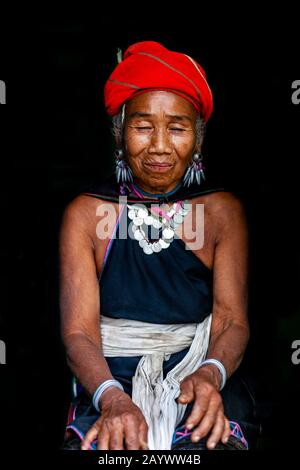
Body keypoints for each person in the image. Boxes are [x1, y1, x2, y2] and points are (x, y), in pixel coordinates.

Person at [59, 41, 259, 451]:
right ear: (120, 133)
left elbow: (230, 322)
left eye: (178, 128)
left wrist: (210, 375)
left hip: (199, 374)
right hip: (109, 379)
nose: (160, 146)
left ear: (198, 140)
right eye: (143, 126)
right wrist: (112, 398)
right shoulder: (85, 215)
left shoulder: (222, 213)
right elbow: (78, 332)